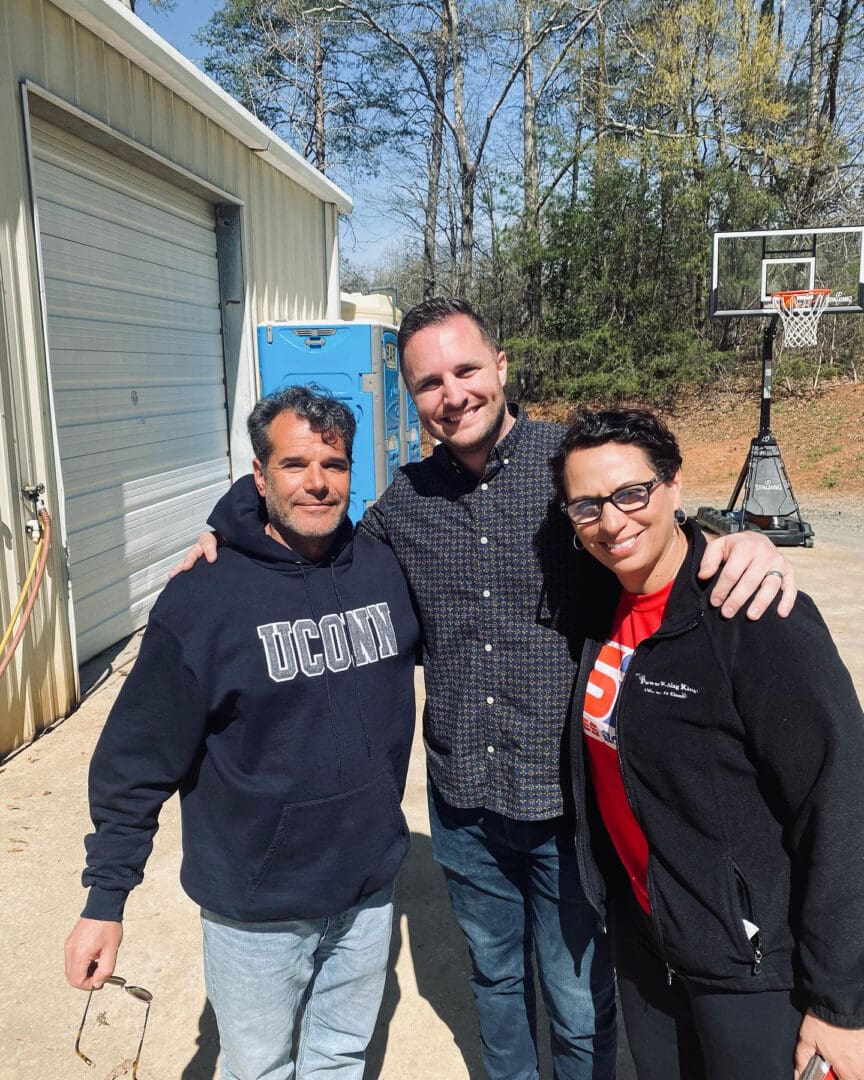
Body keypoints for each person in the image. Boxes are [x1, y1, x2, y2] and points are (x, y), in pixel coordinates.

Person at [179, 299, 798, 1080]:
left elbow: (647, 524)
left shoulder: (563, 468)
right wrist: (229, 517)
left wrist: (735, 540)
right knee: (496, 984)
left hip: (567, 804)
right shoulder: (403, 503)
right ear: (412, 396)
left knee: (577, 1003)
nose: (453, 394)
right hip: (464, 802)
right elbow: (314, 530)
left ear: (501, 368)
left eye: (467, 370)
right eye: (429, 381)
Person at [65, 386, 421, 1080]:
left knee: (340, 1057)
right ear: (258, 475)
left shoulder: (382, 569)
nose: (317, 482)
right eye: (294, 464)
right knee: (257, 1068)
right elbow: (135, 760)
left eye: (335, 464)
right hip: (257, 904)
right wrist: (105, 902)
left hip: (367, 886)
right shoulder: (205, 595)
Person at [550, 407, 864, 1080]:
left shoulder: (751, 615)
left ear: (673, 486)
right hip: (649, 948)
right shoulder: (601, 605)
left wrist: (842, 1003)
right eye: (586, 506)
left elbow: (840, 800)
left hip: (749, 969)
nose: (612, 522)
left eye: (632, 493)